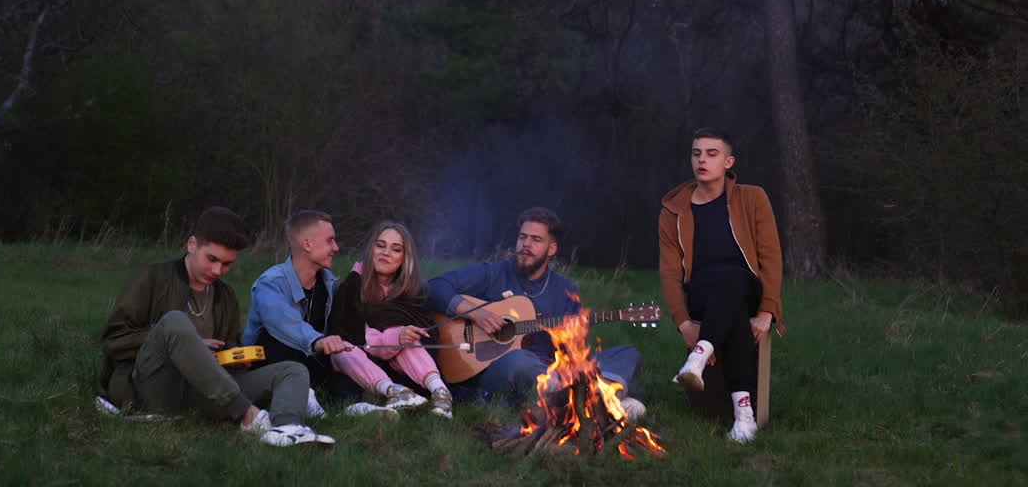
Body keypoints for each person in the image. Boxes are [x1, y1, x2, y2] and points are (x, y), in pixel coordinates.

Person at [98, 207, 334, 446]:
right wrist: (187, 345)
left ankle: (287, 428)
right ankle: (248, 415)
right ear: (192, 245)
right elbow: (113, 339)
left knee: (292, 370)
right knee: (174, 322)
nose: (217, 271)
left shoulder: (225, 295)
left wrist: (234, 357)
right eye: (211, 259)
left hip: (206, 391)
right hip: (155, 387)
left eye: (227, 264)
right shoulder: (153, 277)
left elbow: (228, 346)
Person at [427, 207, 645, 418]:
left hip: (549, 371)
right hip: (498, 373)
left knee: (627, 353)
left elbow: (575, 356)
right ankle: (591, 402)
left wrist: (571, 338)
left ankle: (590, 398)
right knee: (520, 360)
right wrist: (477, 314)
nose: (526, 244)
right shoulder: (494, 273)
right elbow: (435, 286)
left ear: (552, 249)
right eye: (522, 237)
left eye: (536, 240)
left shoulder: (565, 291)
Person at [658, 128, 784, 443]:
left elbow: (771, 257)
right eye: (696, 153)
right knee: (733, 307)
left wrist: (767, 311)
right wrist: (683, 323)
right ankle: (745, 417)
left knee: (732, 277)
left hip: (746, 286)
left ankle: (698, 358)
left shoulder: (752, 198)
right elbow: (670, 273)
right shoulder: (674, 210)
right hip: (702, 294)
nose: (702, 160)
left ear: (728, 162)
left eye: (712, 154)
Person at [328, 221, 454, 418]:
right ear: (371, 250)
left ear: (405, 258)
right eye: (380, 245)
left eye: (395, 249)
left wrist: (402, 336)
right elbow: (353, 334)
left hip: (406, 367)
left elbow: (428, 333)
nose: (386, 253)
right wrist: (394, 337)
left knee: (409, 340)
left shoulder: (414, 293)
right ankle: (395, 392)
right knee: (342, 349)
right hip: (363, 362)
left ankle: (440, 393)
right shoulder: (352, 287)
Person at [243, 210, 348, 409]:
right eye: (330, 240)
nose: (336, 248)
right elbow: (282, 322)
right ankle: (304, 400)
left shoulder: (329, 284)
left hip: (310, 362)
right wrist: (317, 341)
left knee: (343, 366)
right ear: (307, 244)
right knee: (274, 338)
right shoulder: (270, 283)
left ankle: (355, 406)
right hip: (270, 364)